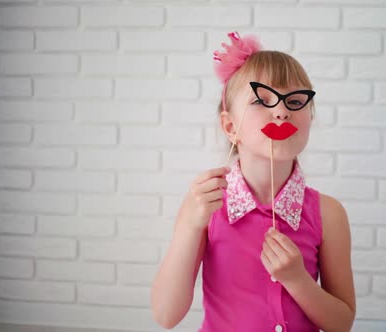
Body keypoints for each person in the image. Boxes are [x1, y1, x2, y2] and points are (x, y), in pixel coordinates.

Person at [151, 31, 356, 332]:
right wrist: (189, 226)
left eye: (296, 100)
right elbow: (166, 316)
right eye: (262, 100)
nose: (282, 111)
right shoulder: (205, 207)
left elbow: (342, 323)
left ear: (310, 118)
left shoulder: (328, 213)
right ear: (230, 126)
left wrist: (297, 280)